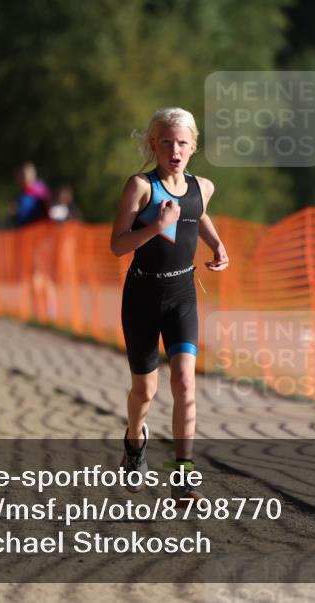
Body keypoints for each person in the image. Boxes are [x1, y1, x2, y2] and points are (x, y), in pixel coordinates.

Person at [110, 107, 229, 505]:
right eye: (166, 142)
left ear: (193, 147)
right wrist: (156, 228)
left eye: (182, 143)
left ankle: (183, 473)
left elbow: (197, 214)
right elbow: (117, 245)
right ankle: (134, 441)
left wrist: (217, 244)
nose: (174, 151)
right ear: (153, 145)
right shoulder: (140, 187)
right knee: (145, 391)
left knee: (185, 382)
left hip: (182, 295)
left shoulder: (203, 187)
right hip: (142, 296)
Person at [11, 163, 51, 227]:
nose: (19, 178)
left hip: (38, 227)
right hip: (26, 227)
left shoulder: (39, 191)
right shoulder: (22, 194)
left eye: (22, 175)